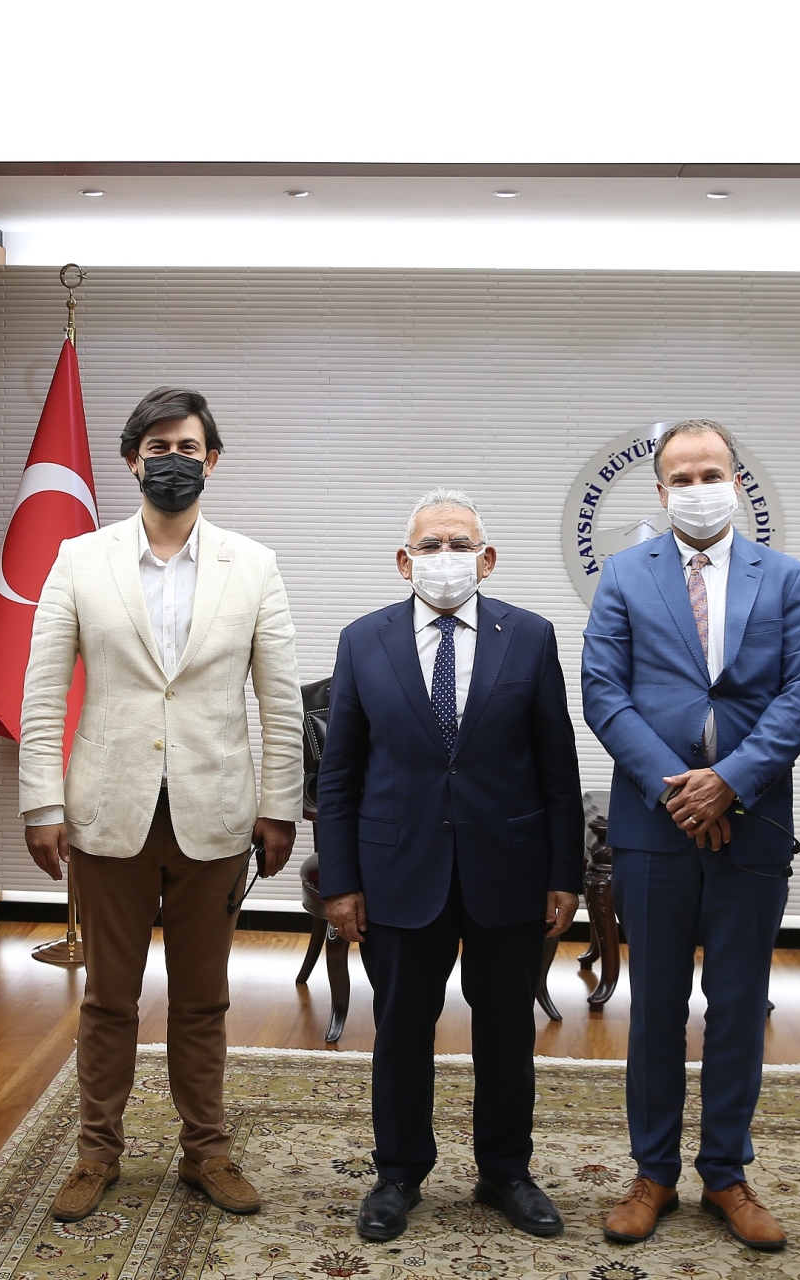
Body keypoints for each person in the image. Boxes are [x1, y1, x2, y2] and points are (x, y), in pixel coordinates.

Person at [18, 387, 303, 1222]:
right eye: (156, 447)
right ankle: (95, 1154)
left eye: (186, 447)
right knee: (108, 998)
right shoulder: (79, 559)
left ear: (211, 461)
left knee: (203, 999)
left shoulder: (254, 565)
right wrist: (40, 803)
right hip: (108, 814)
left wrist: (280, 806)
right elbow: (43, 693)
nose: (171, 460)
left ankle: (206, 1151)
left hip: (216, 813)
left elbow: (279, 702)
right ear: (131, 460)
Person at [581, 419, 800, 1252]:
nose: (697, 488)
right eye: (681, 478)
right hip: (654, 828)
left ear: (736, 481)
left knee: (738, 1007)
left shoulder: (786, 578)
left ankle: (725, 1172)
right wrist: (679, 789)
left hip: (752, 825)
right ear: (660, 492)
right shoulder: (625, 575)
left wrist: (731, 782)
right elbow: (603, 691)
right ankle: (652, 1172)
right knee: (655, 1008)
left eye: (710, 473)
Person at [316, 489, 584, 1243]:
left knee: (507, 1030)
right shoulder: (363, 640)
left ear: (487, 559)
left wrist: (564, 874)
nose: (445, 558)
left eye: (459, 544)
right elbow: (340, 775)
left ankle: (506, 1171)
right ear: (404, 562)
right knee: (402, 1028)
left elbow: (557, 767)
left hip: (509, 868)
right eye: (429, 545)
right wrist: (340, 881)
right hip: (398, 870)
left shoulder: (529, 636)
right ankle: (398, 1173)